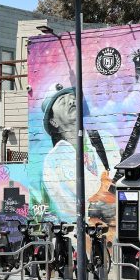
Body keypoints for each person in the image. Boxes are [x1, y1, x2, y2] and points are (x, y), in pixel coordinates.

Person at [41, 84, 121, 222]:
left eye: (72, 98)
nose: (71, 101)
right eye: (63, 101)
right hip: (82, 234)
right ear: (53, 121)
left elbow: (121, 180)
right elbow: (64, 204)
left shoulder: (105, 139)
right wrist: (94, 209)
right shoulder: (53, 161)